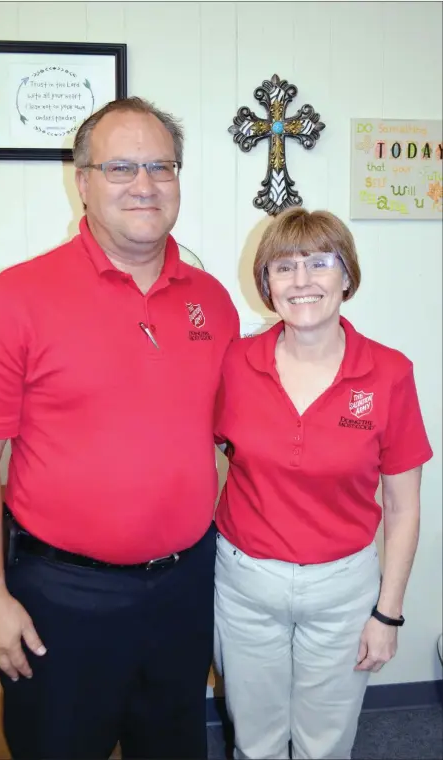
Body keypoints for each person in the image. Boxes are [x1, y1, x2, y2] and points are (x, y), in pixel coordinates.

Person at [0, 96, 239, 760]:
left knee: (171, 747)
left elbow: (232, 439)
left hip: (185, 585)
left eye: (161, 166)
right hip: (63, 597)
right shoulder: (12, 299)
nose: (144, 185)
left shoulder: (212, 300)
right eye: (119, 167)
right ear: (81, 181)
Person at [213, 207, 433, 760]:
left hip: (343, 589)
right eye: (284, 267)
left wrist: (388, 612)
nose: (303, 280)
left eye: (319, 262)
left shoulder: (389, 373)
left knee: (325, 745)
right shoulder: (234, 363)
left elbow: (404, 508)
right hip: (245, 584)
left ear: (347, 275)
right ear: (266, 283)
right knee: (255, 741)